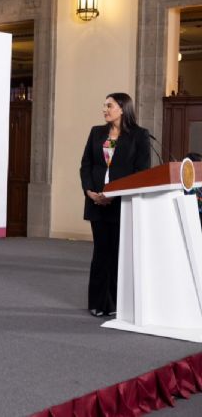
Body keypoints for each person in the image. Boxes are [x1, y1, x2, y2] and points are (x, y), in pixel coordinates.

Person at [79, 92, 151, 317]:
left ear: (122, 108)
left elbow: (141, 172)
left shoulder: (139, 135)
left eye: (109, 105)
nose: (104, 109)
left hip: (122, 203)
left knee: (118, 254)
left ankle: (118, 304)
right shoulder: (97, 132)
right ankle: (98, 303)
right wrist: (90, 191)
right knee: (100, 253)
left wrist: (115, 194)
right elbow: (86, 164)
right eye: (104, 106)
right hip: (96, 202)